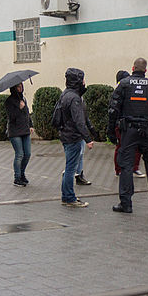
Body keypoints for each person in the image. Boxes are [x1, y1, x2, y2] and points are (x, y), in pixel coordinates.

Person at [107, 58, 148, 213]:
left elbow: (113, 110)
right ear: (145, 70)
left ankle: (126, 204)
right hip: (147, 130)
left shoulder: (124, 84)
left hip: (129, 131)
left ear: (133, 68)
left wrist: (110, 132)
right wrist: (147, 115)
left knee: (126, 165)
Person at [57, 68, 94, 208]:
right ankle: (68, 197)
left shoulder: (66, 94)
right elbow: (79, 121)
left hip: (67, 135)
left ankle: (67, 196)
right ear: (78, 81)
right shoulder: (74, 98)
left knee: (70, 167)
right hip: (73, 137)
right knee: (71, 169)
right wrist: (88, 138)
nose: (84, 82)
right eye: (82, 79)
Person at [113, 70, 143, 178]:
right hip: (120, 123)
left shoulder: (130, 90)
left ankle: (135, 167)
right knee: (121, 146)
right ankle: (119, 169)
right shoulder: (117, 91)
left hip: (132, 122)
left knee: (137, 146)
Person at [5, 82, 34, 187]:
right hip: (15, 132)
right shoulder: (9, 101)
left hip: (25, 130)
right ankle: (17, 178)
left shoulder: (23, 99)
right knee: (19, 154)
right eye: (18, 86)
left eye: (21, 86)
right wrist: (19, 108)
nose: (20, 88)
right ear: (13, 88)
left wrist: (31, 125)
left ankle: (22, 174)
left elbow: (27, 113)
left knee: (28, 154)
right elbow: (11, 117)